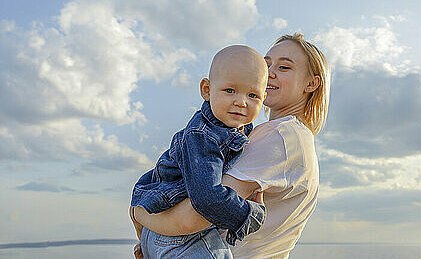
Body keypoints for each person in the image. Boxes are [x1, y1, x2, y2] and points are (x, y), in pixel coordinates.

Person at [132, 33, 330, 259]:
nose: (270, 73)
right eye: (266, 65)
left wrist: (140, 211)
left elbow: (193, 217)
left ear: (312, 83)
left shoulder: (283, 136)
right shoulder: (268, 134)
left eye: (284, 67)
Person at [130, 45, 269, 259]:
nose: (241, 102)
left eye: (252, 95)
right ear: (206, 90)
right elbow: (207, 197)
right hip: (182, 240)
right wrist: (250, 215)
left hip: (162, 232)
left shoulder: (230, 129)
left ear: (263, 98)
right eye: (230, 90)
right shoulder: (203, 136)